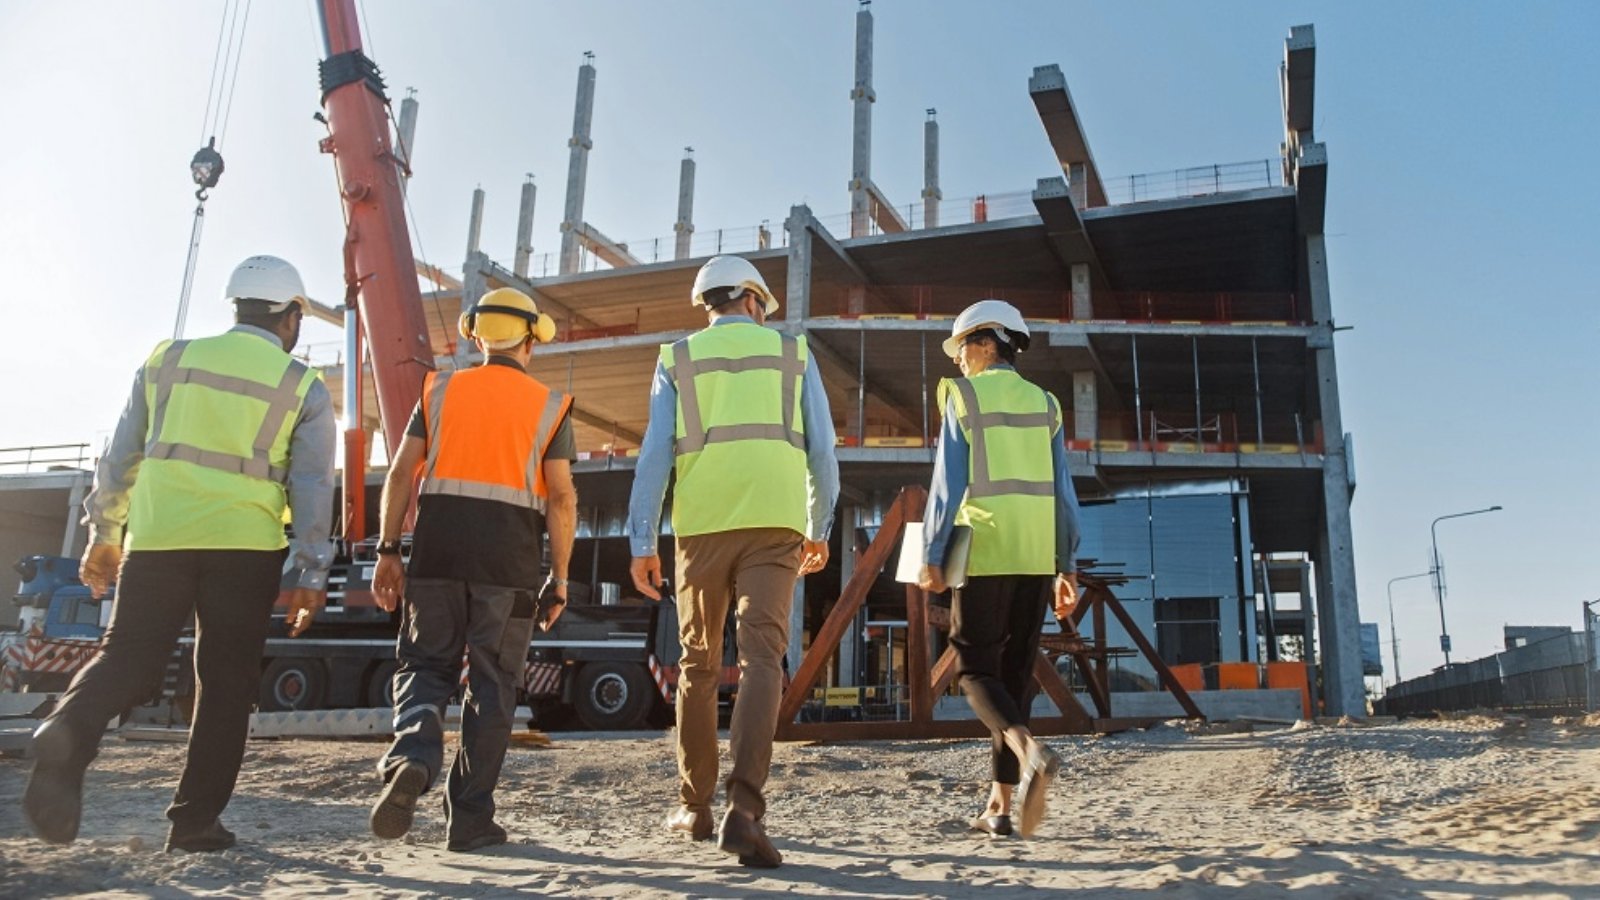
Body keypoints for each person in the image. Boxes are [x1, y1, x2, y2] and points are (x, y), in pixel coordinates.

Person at [23, 255, 336, 852]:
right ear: (293, 317)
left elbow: (118, 457)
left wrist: (104, 536)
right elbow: (313, 486)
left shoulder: (167, 360)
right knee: (223, 684)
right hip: (244, 547)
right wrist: (309, 571)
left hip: (159, 536)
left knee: (128, 658)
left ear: (235, 306)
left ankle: (67, 730)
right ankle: (194, 824)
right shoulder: (303, 385)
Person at [628, 255, 839, 868]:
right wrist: (819, 525)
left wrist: (643, 541)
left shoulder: (677, 358)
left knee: (696, 663)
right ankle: (744, 811)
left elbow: (654, 457)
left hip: (700, 528)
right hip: (777, 525)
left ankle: (693, 807)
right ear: (753, 300)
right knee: (762, 660)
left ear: (708, 303)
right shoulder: (794, 355)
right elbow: (822, 451)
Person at [368, 287, 577, 853]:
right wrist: (559, 577)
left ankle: (413, 755)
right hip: (508, 568)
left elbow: (401, 473)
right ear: (531, 340)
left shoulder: (438, 389)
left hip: (436, 555)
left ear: (476, 335)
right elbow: (561, 499)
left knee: (424, 666)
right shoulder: (551, 405)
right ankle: (470, 822)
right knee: (492, 687)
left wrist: (388, 549)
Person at [918, 299, 1082, 839]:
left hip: (985, 549)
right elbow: (1064, 492)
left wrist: (932, 554)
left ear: (988, 342)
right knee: (1013, 681)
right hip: (1036, 555)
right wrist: (1067, 565)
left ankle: (1029, 751)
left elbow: (948, 483)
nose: (959, 360)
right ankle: (1000, 808)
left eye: (962, 346)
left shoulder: (963, 396)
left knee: (974, 670)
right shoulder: (1047, 405)